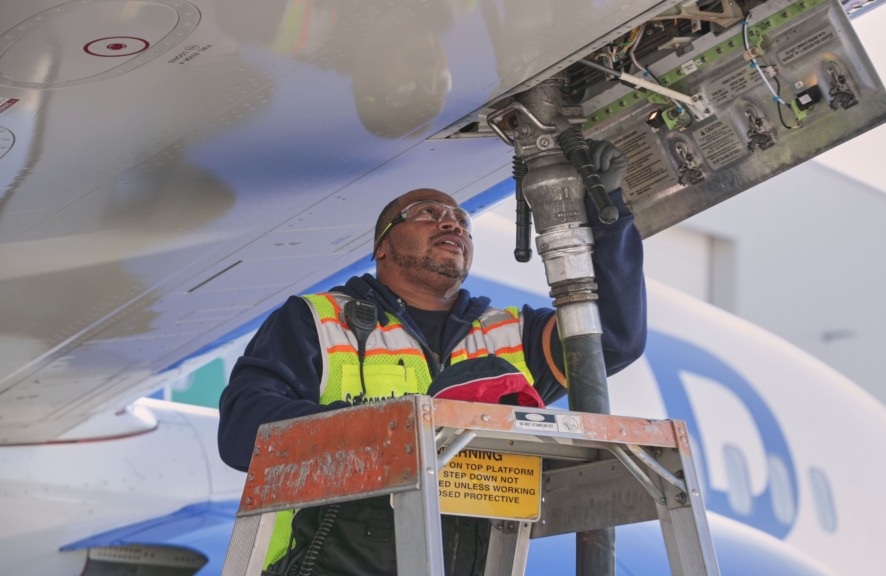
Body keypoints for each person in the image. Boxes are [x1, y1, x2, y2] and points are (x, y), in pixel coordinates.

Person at [218, 140, 646, 575]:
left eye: (463, 221)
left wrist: (608, 212)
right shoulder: (317, 319)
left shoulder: (514, 334)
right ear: (381, 247)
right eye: (427, 212)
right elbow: (242, 432)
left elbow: (612, 339)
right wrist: (392, 434)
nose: (452, 224)